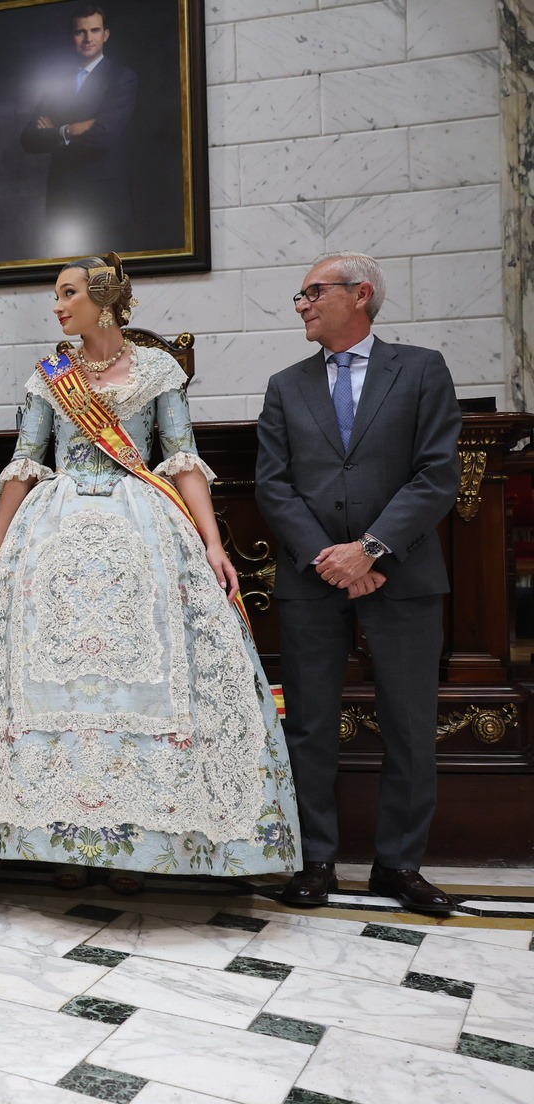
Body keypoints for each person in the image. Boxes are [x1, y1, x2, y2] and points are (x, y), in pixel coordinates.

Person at [0, 254, 300, 893]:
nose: (57, 306)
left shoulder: (157, 370)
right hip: (54, 535)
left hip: (142, 529)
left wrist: (212, 545)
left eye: (68, 293)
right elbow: (25, 461)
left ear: (102, 299)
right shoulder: (49, 375)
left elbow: (182, 458)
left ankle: (142, 843)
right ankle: (62, 838)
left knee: (145, 682)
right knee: (58, 686)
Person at [256, 252, 461, 916]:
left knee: (410, 724)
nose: (302, 304)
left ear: (361, 293)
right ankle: (314, 860)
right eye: (300, 295)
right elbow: (272, 484)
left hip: (402, 574)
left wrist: (369, 549)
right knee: (310, 725)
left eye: (313, 292)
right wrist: (331, 558)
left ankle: (399, 865)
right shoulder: (285, 385)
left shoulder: (421, 369)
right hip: (312, 579)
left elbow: (437, 474)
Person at [18, 5, 136, 256]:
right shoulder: (57, 82)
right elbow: (28, 138)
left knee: (104, 278)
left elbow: (102, 136)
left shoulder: (121, 78)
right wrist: (70, 129)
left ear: (106, 34)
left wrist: (54, 133)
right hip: (62, 202)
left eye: (94, 30)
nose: (87, 38)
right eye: (80, 32)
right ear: (71, 36)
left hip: (104, 203)